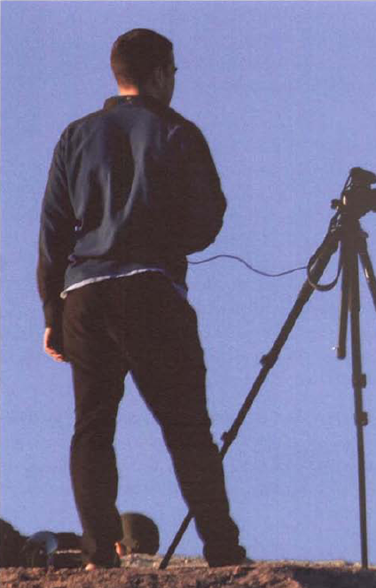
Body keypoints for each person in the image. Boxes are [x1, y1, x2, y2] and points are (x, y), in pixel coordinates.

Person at [37, 28, 246, 570]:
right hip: (151, 289)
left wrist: (51, 312)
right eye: (173, 73)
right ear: (158, 74)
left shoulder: (74, 135)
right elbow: (208, 219)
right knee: (185, 426)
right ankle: (222, 549)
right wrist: (164, 235)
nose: (174, 83)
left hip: (83, 293)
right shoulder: (178, 131)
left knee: (92, 424)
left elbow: (53, 231)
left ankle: (98, 552)